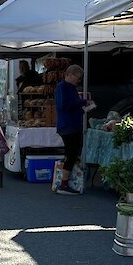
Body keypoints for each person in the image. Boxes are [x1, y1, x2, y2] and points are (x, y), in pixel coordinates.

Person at [54, 63, 96, 195]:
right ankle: (64, 184)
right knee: (71, 153)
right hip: (68, 125)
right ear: (70, 75)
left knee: (73, 152)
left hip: (72, 124)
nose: (79, 80)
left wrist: (82, 108)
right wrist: (83, 103)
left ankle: (65, 181)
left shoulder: (69, 88)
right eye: (77, 77)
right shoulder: (63, 87)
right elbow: (63, 105)